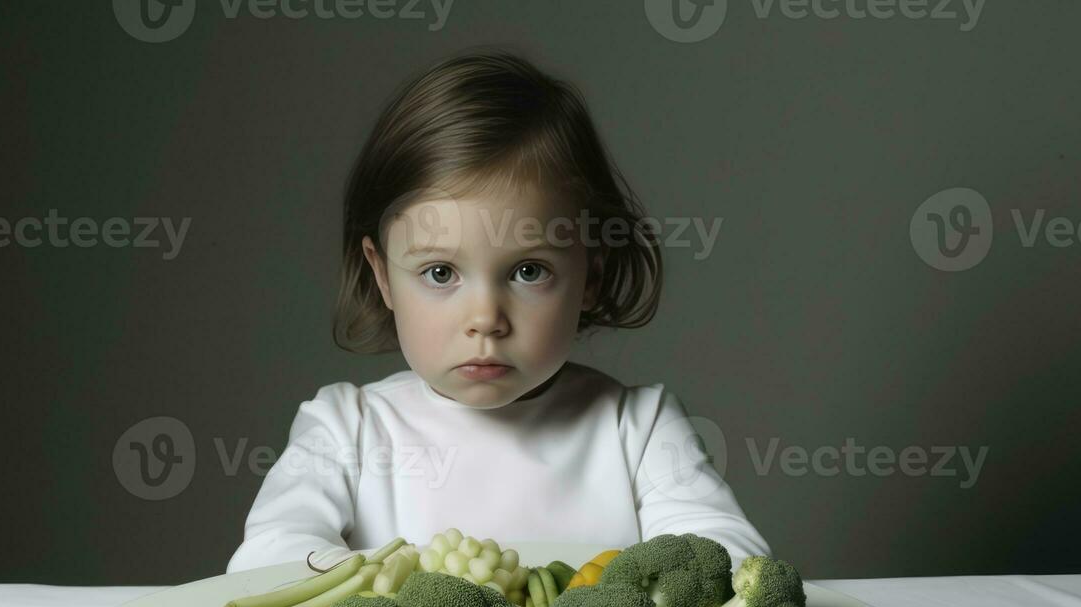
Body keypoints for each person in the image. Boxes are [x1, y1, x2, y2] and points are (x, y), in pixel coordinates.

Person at [227, 49, 768, 573]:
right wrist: (393, 596)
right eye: (440, 273)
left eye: (528, 271)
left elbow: (732, 561)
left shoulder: (639, 430)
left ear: (590, 275)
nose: (485, 318)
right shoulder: (347, 431)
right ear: (381, 274)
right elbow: (267, 560)